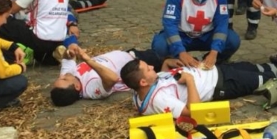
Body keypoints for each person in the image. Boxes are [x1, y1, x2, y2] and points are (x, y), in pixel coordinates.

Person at [121, 59, 277, 118]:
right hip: (221, 86)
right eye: (147, 69)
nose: (152, 67)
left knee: (253, 68)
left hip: (214, 72)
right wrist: (189, 80)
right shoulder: (159, 101)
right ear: (143, 81)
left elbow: (160, 78)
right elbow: (195, 112)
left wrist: (168, 63)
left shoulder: (140, 91)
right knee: (267, 79)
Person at [151, 0, 240, 68]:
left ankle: (213, 61)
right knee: (160, 46)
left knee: (233, 40)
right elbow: (169, 24)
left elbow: (222, 23)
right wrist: (180, 51)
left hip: (207, 35)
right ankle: (177, 62)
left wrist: (214, 52)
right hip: (182, 35)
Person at [50, 43, 183, 106]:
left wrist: (71, 51)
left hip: (128, 54)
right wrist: (87, 60)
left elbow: (67, 59)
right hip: (138, 66)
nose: (62, 75)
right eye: (64, 79)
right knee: (170, 53)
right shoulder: (91, 90)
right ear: (77, 87)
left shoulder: (69, 77)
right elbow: (112, 78)